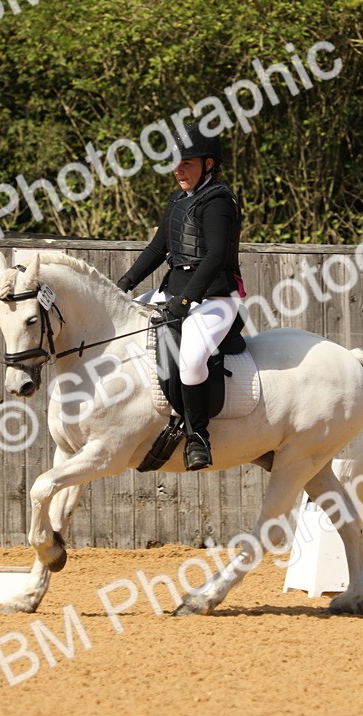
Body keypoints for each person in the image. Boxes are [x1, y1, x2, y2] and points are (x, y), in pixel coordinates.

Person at [115, 122, 242, 471]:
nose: (178, 170)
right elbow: (158, 249)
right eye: (175, 163)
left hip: (215, 298)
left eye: (186, 163)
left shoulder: (218, 201)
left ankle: (198, 436)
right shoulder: (177, 200)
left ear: (208, 164)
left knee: (191, 358)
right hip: (173, 289)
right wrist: (123, 285)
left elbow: (215, 256)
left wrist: (186, 301)